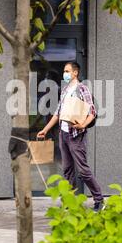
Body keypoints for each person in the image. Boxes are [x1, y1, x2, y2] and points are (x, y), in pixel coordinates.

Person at [37, 62, 104, 212]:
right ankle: (70, 201)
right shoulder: (65, 90)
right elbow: (58, 113)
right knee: (67, 170)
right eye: (64, 71)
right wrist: (45, 129)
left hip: (76, 135)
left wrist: (83, 125)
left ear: (75, 73)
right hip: (64, 134)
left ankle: (99, 200)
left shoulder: (82, 89)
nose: (64, 74)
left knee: (83, 171)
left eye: (67, 71)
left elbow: (92, 111)